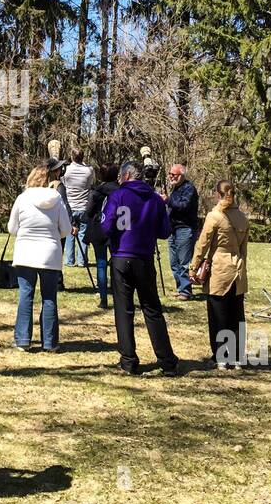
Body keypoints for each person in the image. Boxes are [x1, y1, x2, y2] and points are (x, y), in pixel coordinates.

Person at [98, 161, 180, 376]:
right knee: (152, 309)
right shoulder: (154, 198)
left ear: (125, 176)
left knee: (124, 311)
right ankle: (167, 360)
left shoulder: (117, 196)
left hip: (121, 256)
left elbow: (106, 226)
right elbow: (164, 231)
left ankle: (128, 360)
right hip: (144, 258)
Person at [6, 162, 72, 351]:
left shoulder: (22, 198)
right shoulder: (57, 199)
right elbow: (66, 229)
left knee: (26, 295)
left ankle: (23, 340)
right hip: (49, 252)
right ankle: (50, 342)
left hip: (26, 252)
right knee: (49, 297)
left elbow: (12, 228)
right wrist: (52, 235)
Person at [190, 181, 249, 370]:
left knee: (218, 314)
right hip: (238, 268)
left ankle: (221, 357)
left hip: (219, 268)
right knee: (237, 315)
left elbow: (202, 244)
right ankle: (238, 356)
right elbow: (244, 249)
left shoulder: (214, 216)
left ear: (218, 194)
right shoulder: (242, 217)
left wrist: (194, 267)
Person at [83, 164, 120, 310]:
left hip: (98, 229)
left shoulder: (96, 191)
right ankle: (119, 296)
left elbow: (89, 212)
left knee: (101, 264)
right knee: (117, 263)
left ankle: (103, 298)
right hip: (116, 229)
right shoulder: (121, 191)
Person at [164, 165, 199, 300]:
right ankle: (180, 287)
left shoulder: (189, 189)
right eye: (170, 174)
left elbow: (183, 206)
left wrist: (168, 200)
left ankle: (186, 291)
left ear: (182, 175)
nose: (171, 176)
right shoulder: (176, 189)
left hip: (185, 228)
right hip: (173, 229)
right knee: (174, 262)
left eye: (174, 174)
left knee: (184, 262)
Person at [61, 148, 95, 268]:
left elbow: (63, 183)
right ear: (83, 157)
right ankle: (82, 261)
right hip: (84, 205)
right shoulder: (89, 171)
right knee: (82, 234)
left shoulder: (67, 170)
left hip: (70, 206)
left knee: (69, 233)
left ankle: (70, 260)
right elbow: (90, 185)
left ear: (72, 156)